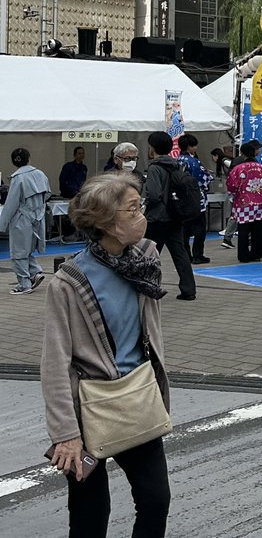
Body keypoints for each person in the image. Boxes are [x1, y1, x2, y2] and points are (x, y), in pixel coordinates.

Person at [42, 172, 172, 537]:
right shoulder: (69, 281)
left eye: (139, 206)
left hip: (138, 398)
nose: (141, 215)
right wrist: (65, 433)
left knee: (155, 501)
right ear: (106, 223)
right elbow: (55, 363)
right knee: (88, 513)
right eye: (132, 210)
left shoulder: (144, 260)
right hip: (87, 409)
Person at [143, 133, 195, 302]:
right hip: (176, 215)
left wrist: (145, 209)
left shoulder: (154, 168)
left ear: (153, 147)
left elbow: (154, 194)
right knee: (180, 253)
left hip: (157, 218)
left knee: (150, 254)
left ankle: (148, 287)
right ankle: (188, 289)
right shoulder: (176, 165)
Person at [1, 148, 50, 295]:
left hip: (21, 218)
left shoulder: (18, 178)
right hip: (38, 216)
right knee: (28, 249)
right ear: (29, 159)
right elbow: (47, 194)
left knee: (18, 252)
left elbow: (11, 203)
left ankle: (24, 284)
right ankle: (35, 272)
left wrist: (2, 224)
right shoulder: (40, 174)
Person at [225, 141, 262, 263]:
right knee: (258, 229)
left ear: (242, 153)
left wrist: (234, 197)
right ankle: (257, 253)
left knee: (243, 229)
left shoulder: (239, 169)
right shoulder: (261, 168)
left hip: (244, 203)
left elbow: (231, 185)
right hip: (260, 203)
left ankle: (244, 256)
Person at [177, 135, 213, 264]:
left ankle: (186, 255)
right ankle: (198, 255)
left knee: (185, 230)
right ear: (189, 147)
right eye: (194, 146)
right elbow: (203, 179)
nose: (196, 148)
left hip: (182, 199)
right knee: (199, 228)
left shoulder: (177, 160)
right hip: (196, 198)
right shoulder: (193, 162)